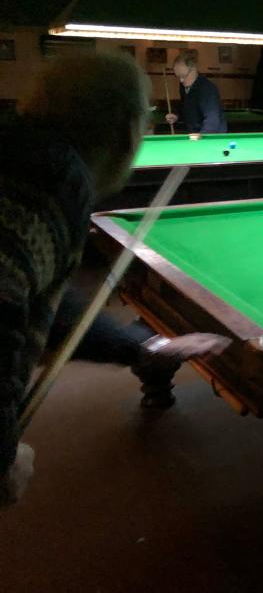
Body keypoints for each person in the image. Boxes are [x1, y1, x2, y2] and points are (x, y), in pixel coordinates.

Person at [1, 52, 230, 506]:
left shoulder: (24, 152)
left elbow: (32, 298)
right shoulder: (50, 179)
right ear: (129, 132)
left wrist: (141, 348)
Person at [165, 50, 227, 133]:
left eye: (183, 76)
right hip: (196, 134)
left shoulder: (207, 88)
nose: (181, 80)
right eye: (178, 76)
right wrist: (176, 116)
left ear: (193, 69)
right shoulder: (184, 86)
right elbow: (186, 107)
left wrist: (199, 140)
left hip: (213, 137)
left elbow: (212, 121)